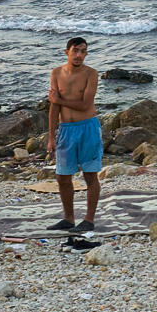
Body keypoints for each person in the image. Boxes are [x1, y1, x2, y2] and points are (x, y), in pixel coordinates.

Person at [48, 36, 102, 231]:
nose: (79, 55)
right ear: (67, 52)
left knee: (90, 175)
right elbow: (53, 107)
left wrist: (59, 100)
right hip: (66, 130)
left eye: (83, 51)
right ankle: (69, 218)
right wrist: (51, 137)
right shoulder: (56, 73)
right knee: (62, 177)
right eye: (75, 51)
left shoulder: (91, 74)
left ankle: (89, 220)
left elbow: (85, 104)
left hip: (88, 128)